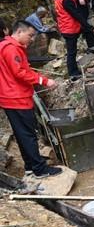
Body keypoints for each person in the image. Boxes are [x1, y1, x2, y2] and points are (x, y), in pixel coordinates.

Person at [0, 20, 62, 178]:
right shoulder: (11, 49)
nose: (32, 39)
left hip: (9, 96)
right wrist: (44, 80)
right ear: (19, 32)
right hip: (17, 97)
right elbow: (20, 72)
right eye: (30, 35)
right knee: (28, 134)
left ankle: (30, 166)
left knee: (22, 134)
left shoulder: (5, 46)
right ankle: (40, 169)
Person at [54, 0, 94, 80]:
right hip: (69, 28)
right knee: (72, 51)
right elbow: (76, 15)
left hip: (67, 25)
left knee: (87, 31)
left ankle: (92, 47)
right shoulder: (66, 0)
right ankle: (73, 74)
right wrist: (90, 26)